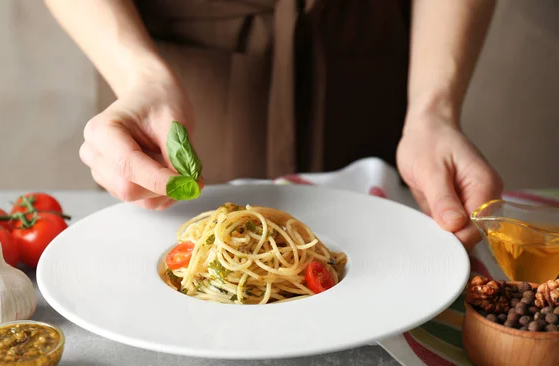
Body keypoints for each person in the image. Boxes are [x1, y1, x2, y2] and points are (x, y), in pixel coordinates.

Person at [44, 0, 503, 250]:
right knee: (187, 230)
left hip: (366, 52)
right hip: (183, 63)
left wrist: (433, 110)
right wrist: (139, 76)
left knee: (376, 252)